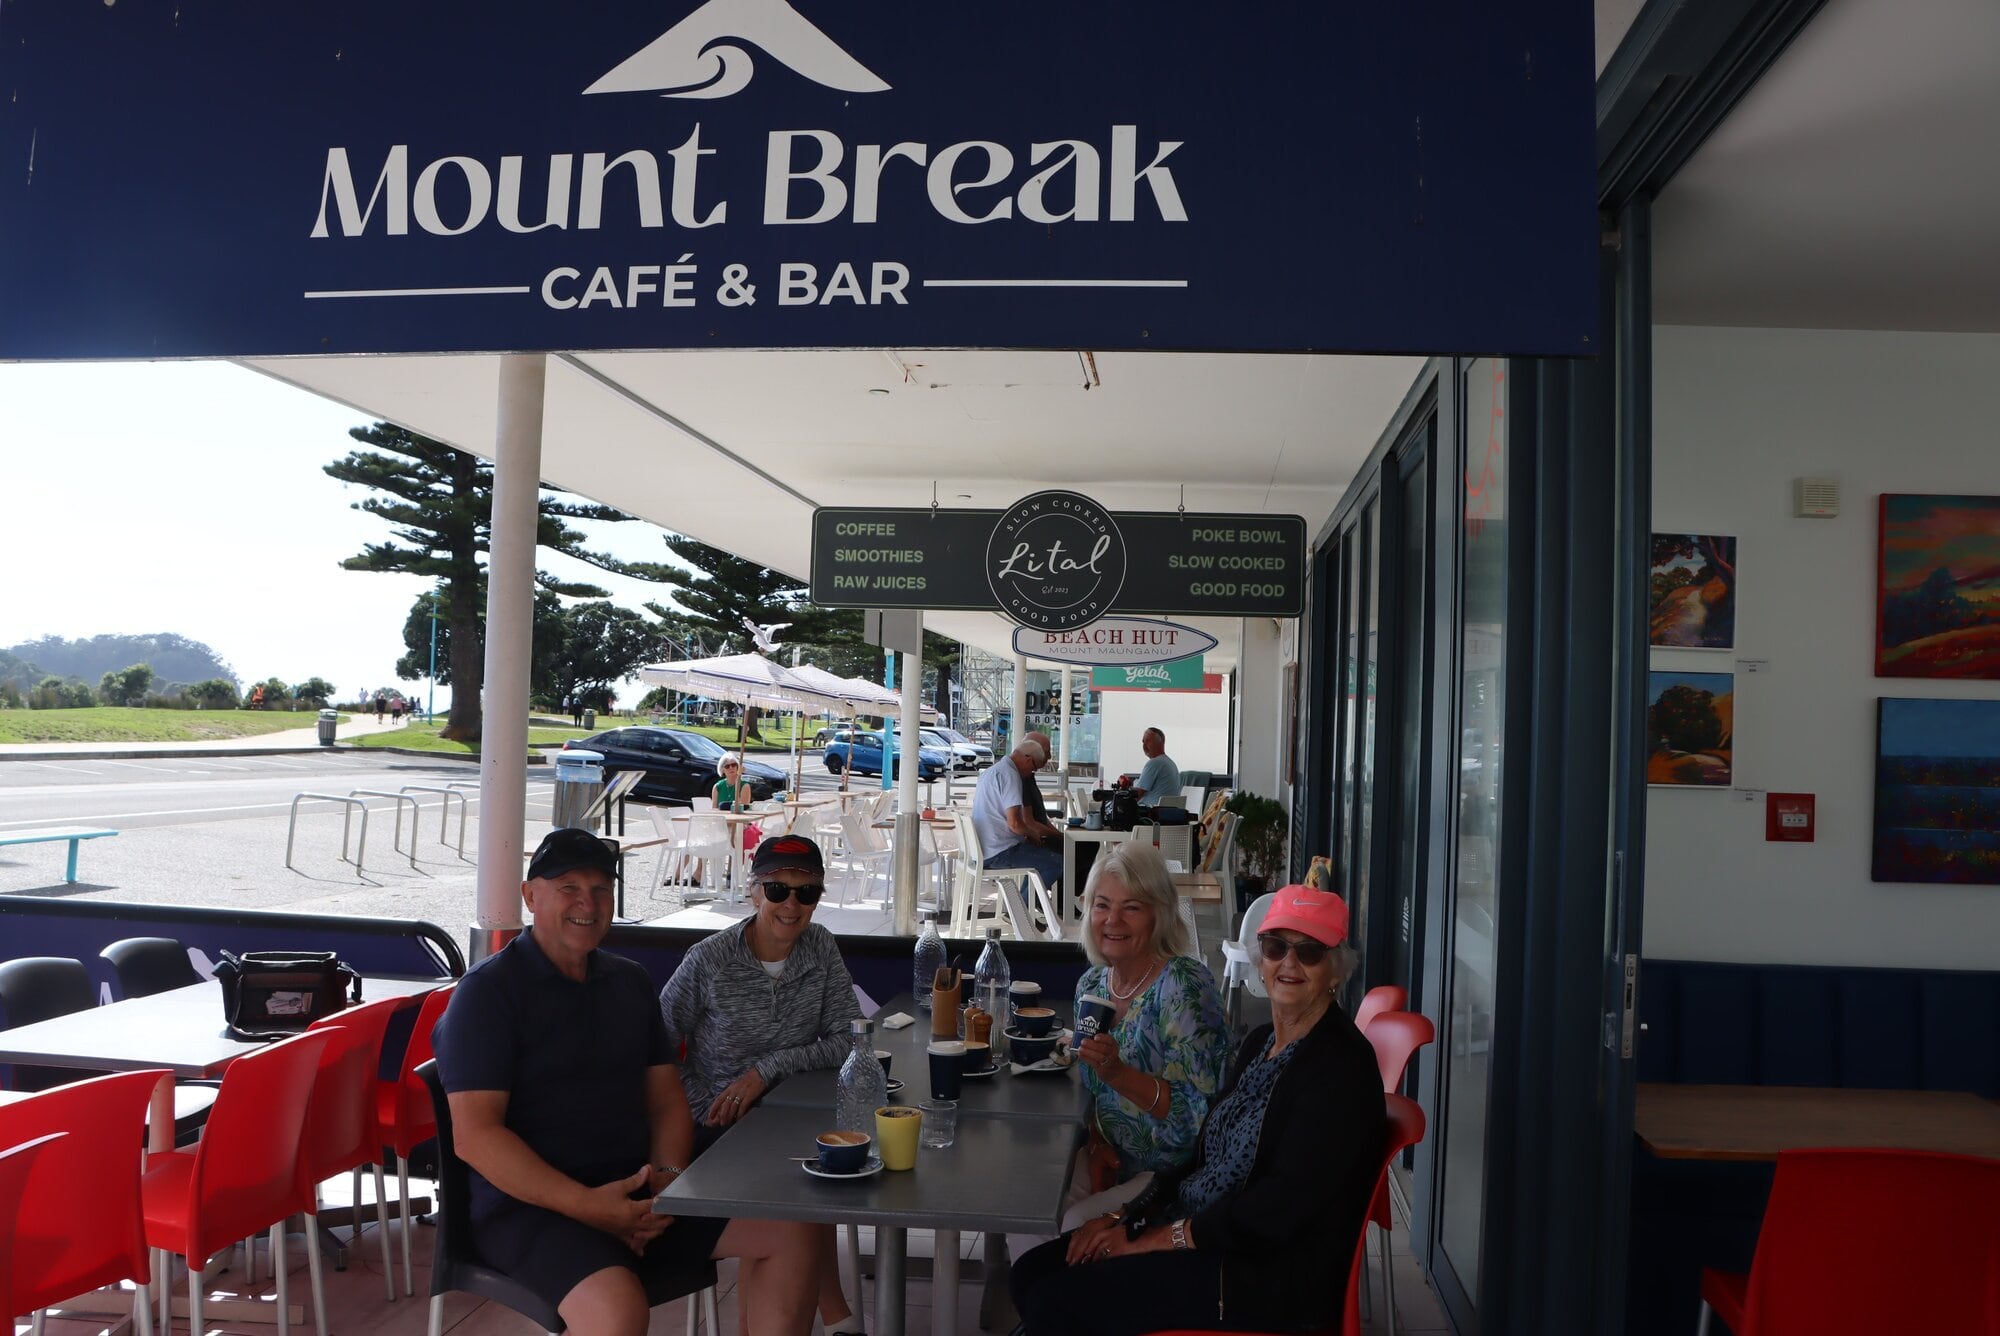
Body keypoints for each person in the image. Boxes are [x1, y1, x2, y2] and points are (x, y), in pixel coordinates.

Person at [433, 828, 819, 1336]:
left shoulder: (628, 981)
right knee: (617, 1310)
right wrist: (594, 1208)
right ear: (531, 896)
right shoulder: (487, 995)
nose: (587, 903)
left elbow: (665, 1100)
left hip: (637, 1190)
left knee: (794, 1229)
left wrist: (664, 1181)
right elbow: (476, 1136)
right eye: (568, 887)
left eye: (600, 890)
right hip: (533, 1208)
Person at [1011, 886, 1386, 1336]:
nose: (1288, 963)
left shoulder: (1339, 1068)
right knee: (1032, 1271)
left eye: (1309, 952)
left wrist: (1154, 1240)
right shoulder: (1261, 1042)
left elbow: (1278, 1210)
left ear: (1335, 971)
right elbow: (1201, 1156)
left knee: (1055, 1301)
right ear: (1260, 960)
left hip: (1256, 1274)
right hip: (1205, 1233)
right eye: (1275, 947)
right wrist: (1128, 1217)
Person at [658, 834, 867, 1336]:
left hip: (787, 1118)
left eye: (806, 893)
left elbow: (849, 1036)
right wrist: (707, 1103)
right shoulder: (708, 959)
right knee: (803, 1185)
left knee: (824, 1167)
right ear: (753, 892)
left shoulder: (820, 947)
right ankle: (840, 1321)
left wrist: (768, 1068)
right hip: (717, 1129)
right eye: (777, 891)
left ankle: (838, 1320)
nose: (791, 905)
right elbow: (654, 1050)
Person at [1067, 841, 1230, 1224]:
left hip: (1171, 1178)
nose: (1113, 920)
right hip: (1111, 1157)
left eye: (1132, 908)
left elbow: (1197, 1122)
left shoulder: (1183, 986)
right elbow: (1092, 1092)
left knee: (1068, 1226)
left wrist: (1118, 1073)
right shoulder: (1092, 987)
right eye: (1102, 905)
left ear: (1159, 915)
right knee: (1033, 1202)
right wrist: (1096, 1143)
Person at [972, 739, 1064, 892]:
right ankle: (1022, 911)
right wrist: (1033, 834)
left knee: (1041, 859)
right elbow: (1015, 823)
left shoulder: (991, 771)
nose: (1031, 774)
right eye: (1034, 768)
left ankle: (1025, 906)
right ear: (1028, 759)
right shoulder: (1011, 775)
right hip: (999, 852)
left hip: (983, 851)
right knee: (1056, 863)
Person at [1132, 727, 1182, 808]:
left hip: (1151, 814)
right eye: (1143, 742)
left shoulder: (1155, 763)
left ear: (1161, 743)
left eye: (1148, 741)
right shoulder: (1170, 763)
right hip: (1168, 813)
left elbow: (1136, 795)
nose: (1144, 746)